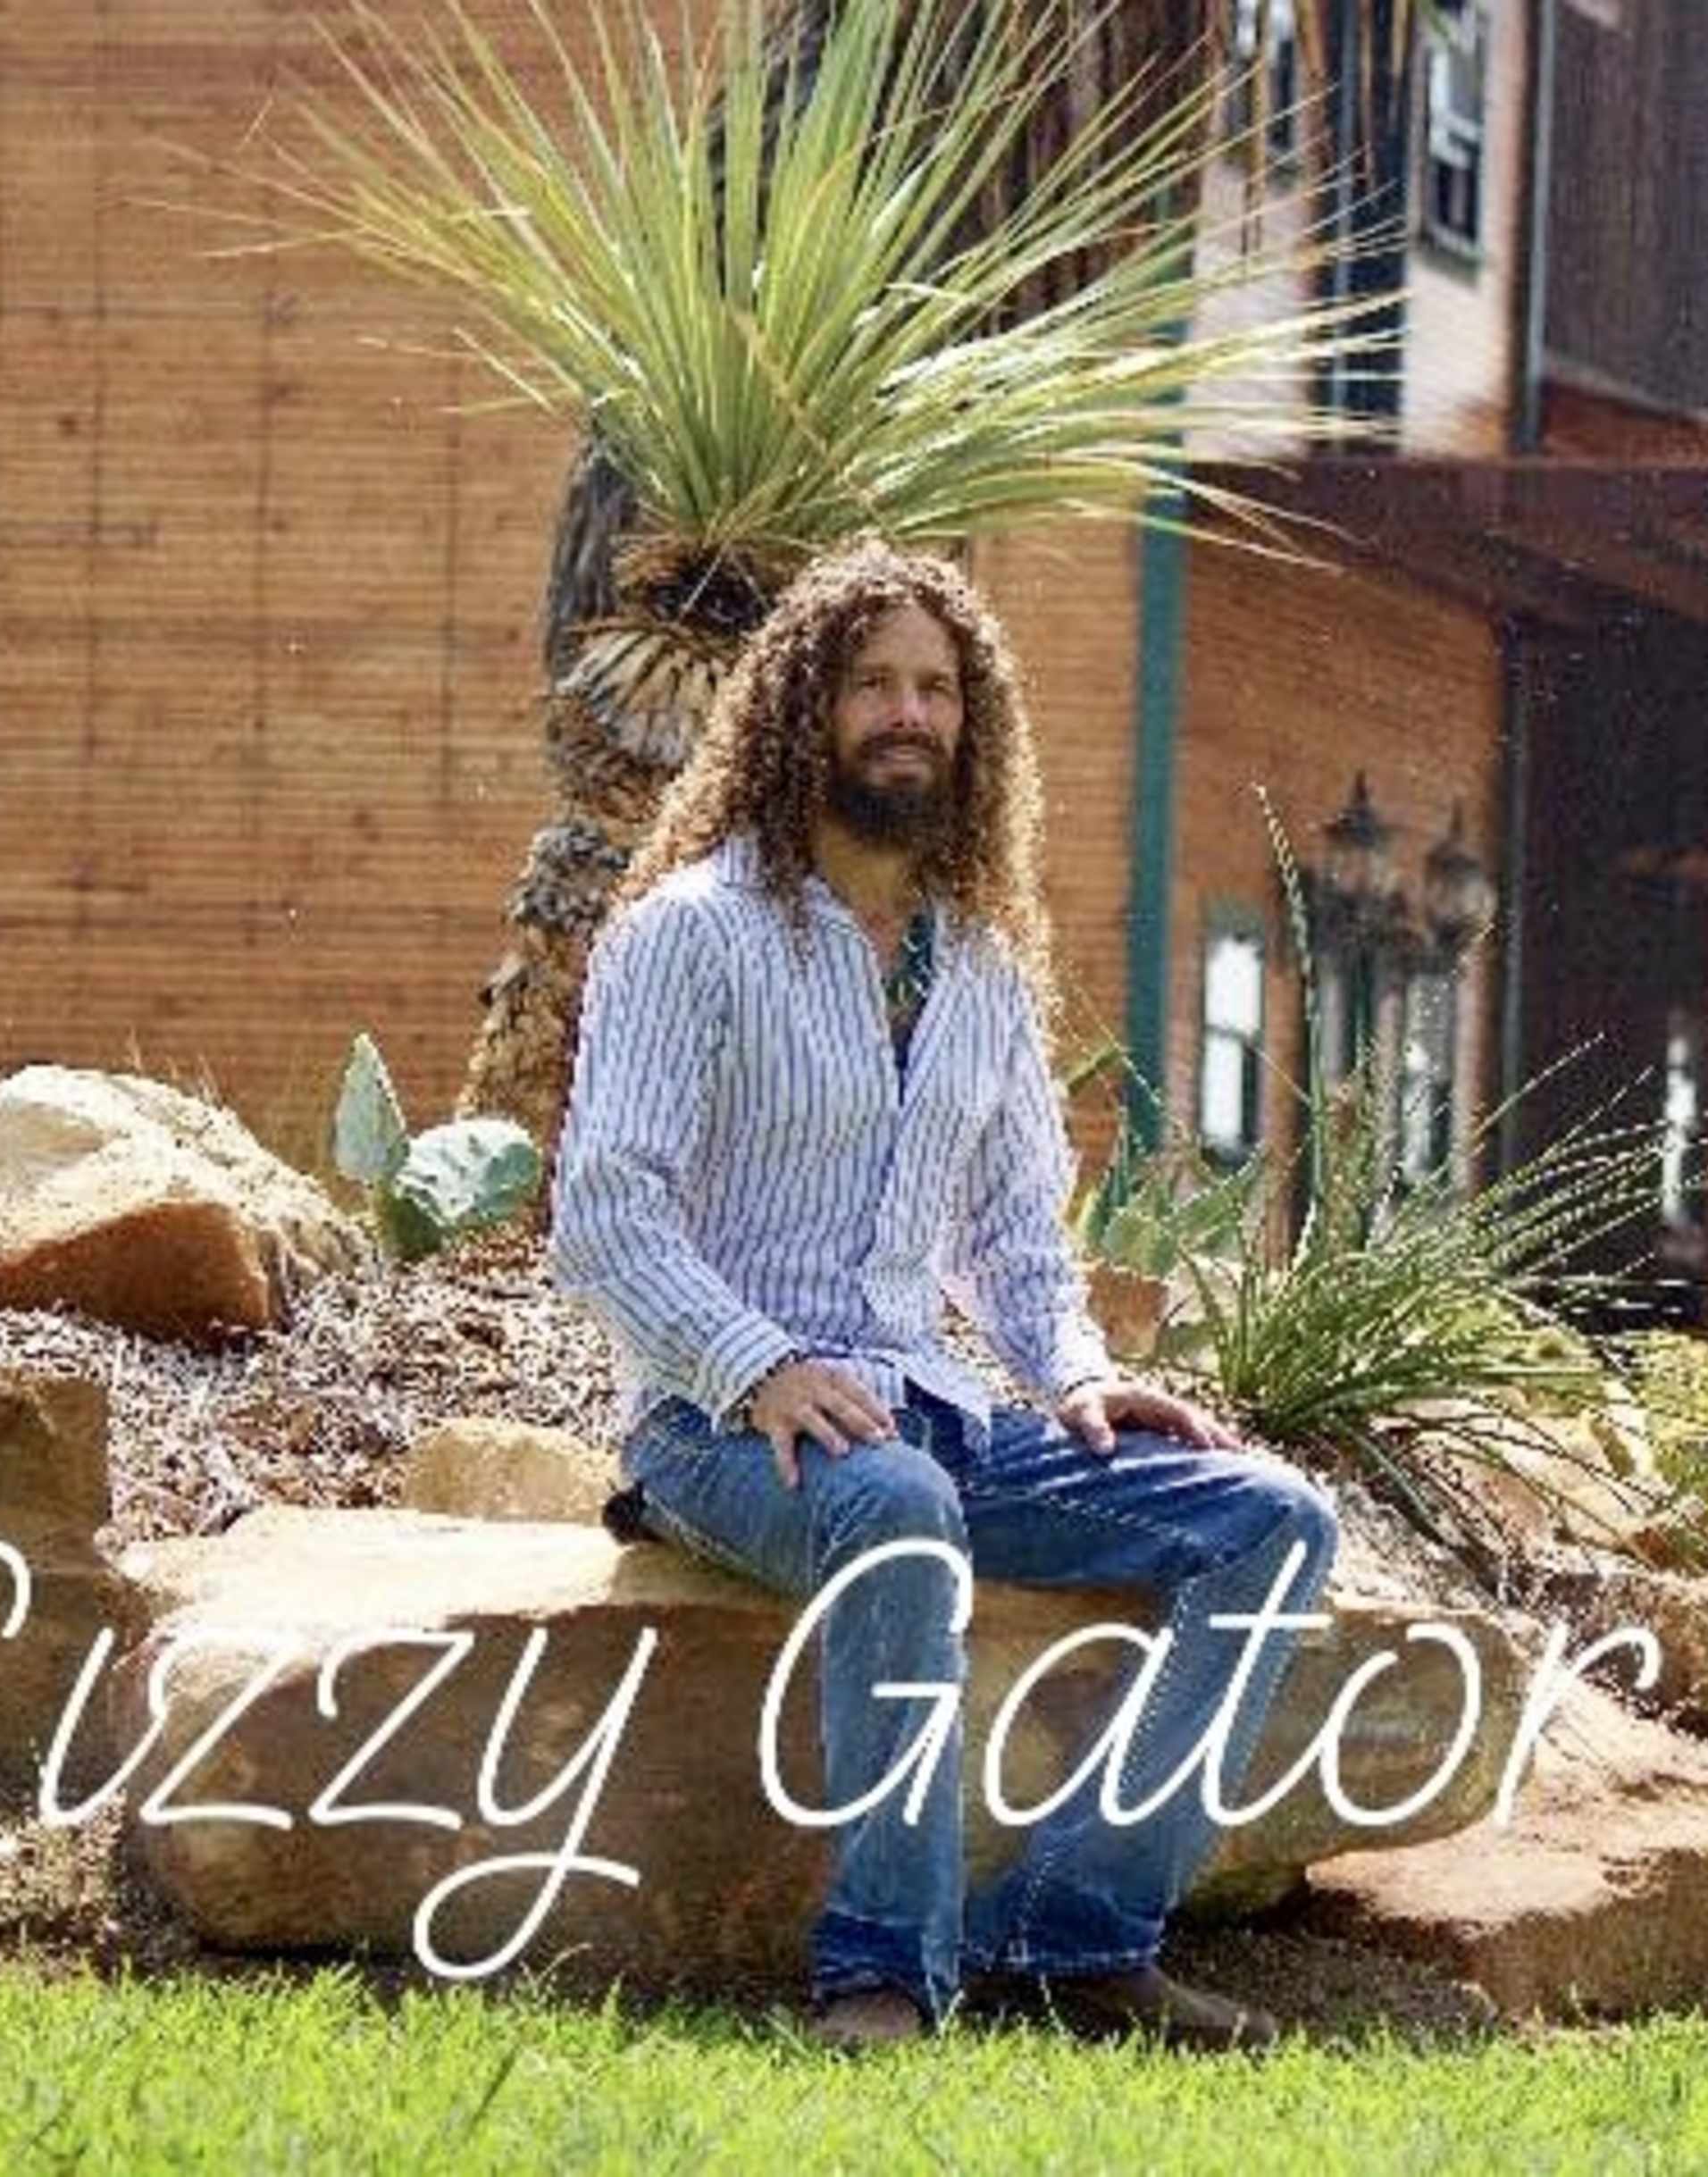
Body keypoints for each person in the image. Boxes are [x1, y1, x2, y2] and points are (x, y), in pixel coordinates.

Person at [549, 540, 1341, 2052]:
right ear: (804, 710)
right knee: (898, 1506)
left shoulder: (976, 959)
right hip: (721, 1430)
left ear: (971, 729)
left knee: (1272, 1520)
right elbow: (603, 1211)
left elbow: (1014, 1228)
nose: (907, 714)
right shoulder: (694, 932)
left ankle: (1075, 1933)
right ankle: (880, 1974)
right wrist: (755, 1361)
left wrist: (1075, 1371)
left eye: (936, 688)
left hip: (931, 1410)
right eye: (872, 685)